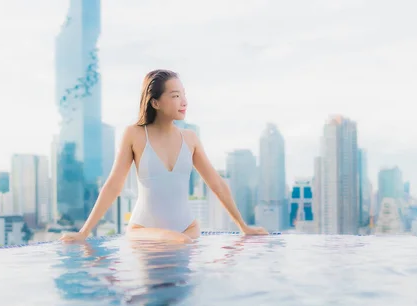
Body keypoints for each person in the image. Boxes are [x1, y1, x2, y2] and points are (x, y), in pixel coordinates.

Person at [61, 69, 268, 243]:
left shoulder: (190, 138)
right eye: (176, 95)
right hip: (145, 232)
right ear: (155, 103)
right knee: (177, 244)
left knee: (182, 267)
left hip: (188, 230)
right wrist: (84, 233)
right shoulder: (135, 134)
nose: (184, 101)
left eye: (184, 95)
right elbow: (114, 185)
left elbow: (217, 184)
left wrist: (244, 227)